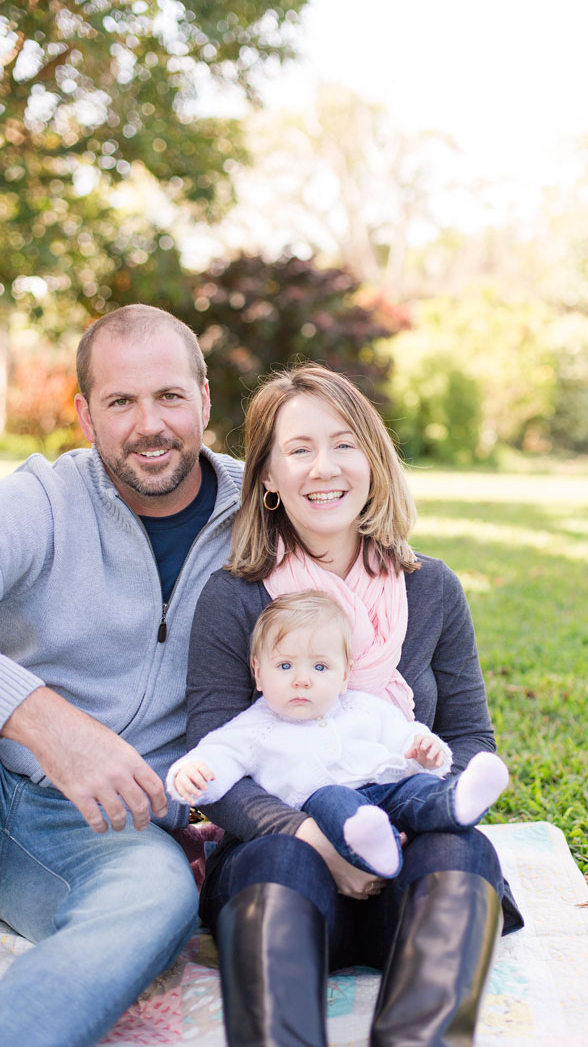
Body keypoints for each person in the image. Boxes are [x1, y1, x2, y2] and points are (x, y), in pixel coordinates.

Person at [185, 362, 524, 1047]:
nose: (324, 467)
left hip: (404, 867)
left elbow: (467, 735)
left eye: (344, 444)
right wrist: (315, 837)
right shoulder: (236, 596)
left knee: (464, 849)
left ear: (372, 460)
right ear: (269, 479)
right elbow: (216, 765)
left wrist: (411, 815)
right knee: (273, 862)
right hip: (289, 870)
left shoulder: (432, 590)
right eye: (299, 449)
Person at [0, 304, 244, 1047]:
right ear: (84, 415)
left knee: (154, 896)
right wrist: (42, 719)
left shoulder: (262, 513)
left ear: (204, 399)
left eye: (169, 396)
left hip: (104, 828)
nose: (149, 425)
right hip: (19, 778)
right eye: (120, 401)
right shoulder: (39, 501)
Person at [168, 591, 510, 879]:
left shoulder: (362, 707)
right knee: (333, 799)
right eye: (285, 666)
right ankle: (374, 843)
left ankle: (457, 802)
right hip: (319, 807)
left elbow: (404, 735)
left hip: (386, 789)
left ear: (345, 675)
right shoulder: (255, 727)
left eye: (320, 667)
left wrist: (426, 751)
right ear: (258, 672)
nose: (302, 680)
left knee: (419, 789)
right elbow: (217, 754)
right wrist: (194, 772)